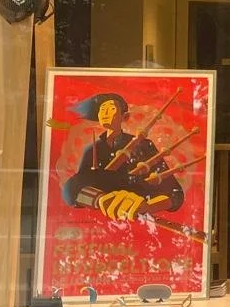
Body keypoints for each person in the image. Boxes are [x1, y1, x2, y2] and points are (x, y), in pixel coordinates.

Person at [61, 91, 185, 221]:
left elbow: (175, 193)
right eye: (102, 110)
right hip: (101, 223)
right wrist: (101, 199)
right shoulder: (91, 149)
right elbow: (74, 188)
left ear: (124, 116)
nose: (105, 113)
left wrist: (148, 207)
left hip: (139, 220)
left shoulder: (143, 145)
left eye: (111, 109)